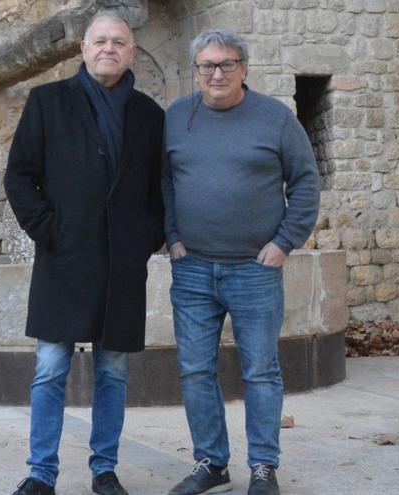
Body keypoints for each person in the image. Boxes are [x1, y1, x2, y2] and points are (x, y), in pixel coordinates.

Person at [4, 10, 165, 495]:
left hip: (122, 264)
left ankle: (104, 469)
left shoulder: (149, 115)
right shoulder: (47, 102)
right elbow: (19, 176)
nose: (108, 49)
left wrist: (144, 241)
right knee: (50, 368)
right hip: (64, 259)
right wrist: (48, 229)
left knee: (112, 372)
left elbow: (160, 187)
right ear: (83, 49)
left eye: (118, 41)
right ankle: (40, 472)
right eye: (99, 41)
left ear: (131, 52)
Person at [161, 28, 320, 495]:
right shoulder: (175, 118)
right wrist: (172, 238)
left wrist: (285, 242)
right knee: (194, 371)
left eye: (226, 64)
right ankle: (211, 463)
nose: (216, 73)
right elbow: (164, 183)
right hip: (192, 270)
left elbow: (306, 183)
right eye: (207, 65)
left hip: (255, 269)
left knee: (261, 371)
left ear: (244, 68)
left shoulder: (275, 119)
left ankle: (263, 468)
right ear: (197, 71)